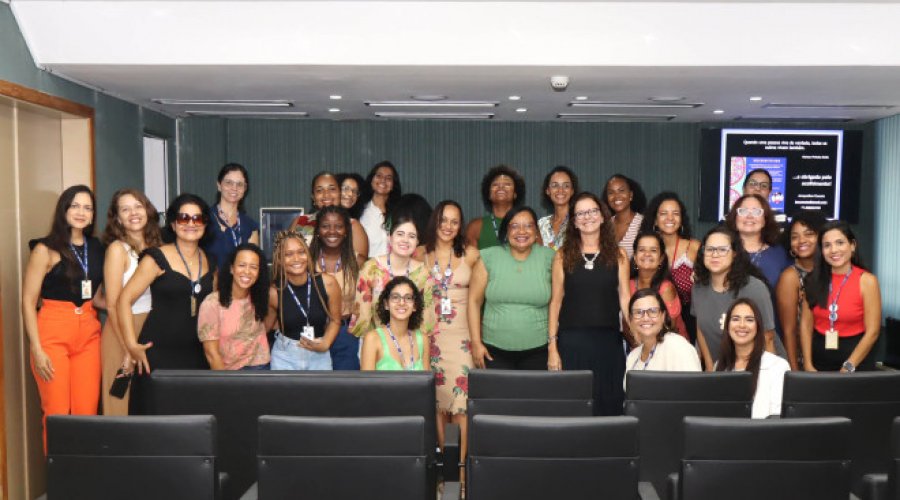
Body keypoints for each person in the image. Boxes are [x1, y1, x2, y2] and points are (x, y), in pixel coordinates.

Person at [22, 185, 104, 450]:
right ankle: (61, 482)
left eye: (88, 207)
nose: (81, 212)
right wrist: (36, 348)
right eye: (75, 206)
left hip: (89, 334)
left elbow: (100, 296)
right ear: (64, 210)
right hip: (52, 333)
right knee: (57, 414)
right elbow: (27, 301)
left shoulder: (97, 247)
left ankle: (83, 482)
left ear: (93, 215)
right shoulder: (44, 249)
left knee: (86, 413)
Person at [118, 193, 216, 414]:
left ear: (205, 224)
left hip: (197, 355)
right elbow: (123, 300)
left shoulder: (211, 261)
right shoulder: (156, 258)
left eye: (197, 218)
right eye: (184, 218)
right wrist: (131, 346)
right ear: (173, 224)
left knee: (193, 422)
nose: (191, 224)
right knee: (155, 422)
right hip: (157, 354)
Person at [548, 193, 629, 415]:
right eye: (581, 213)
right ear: (573, 222)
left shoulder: (619, 255)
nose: (587, 217)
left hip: (608, 344)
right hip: (571, 343)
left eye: (592, 211)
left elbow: (625, 297)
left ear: (603, 217)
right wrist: (552, 347)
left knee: (609, 404)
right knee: (572, 406)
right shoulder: (562, 256)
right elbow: (555, 302)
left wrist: (639, 337)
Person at [417, 200, 480, 462]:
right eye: (443, 220)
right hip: (430, 335)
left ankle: (462, 470)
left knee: (462, 405)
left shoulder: (471, 253)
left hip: (462, 337)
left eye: (454, 221)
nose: (448, 226)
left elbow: (478, 300)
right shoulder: (419, 253)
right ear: (435, 221)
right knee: (437, 405)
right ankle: (446, 466)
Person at [100, 188, 161, 415]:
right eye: (125, 209)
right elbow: (112, 304)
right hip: (122, 330)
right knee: (119, 400)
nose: (133, 213)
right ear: (117, 218)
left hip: (151, 327)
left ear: (147, 210)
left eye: (138, 206)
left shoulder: (158, 246)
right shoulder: (117, 250)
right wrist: (128, 348)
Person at [469, 206, 554, 370]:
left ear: (536, 231)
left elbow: (557, 302)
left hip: (539, 350)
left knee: (534, 396)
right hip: (493, 350)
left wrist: (553, 345)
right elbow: (474, 302)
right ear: (506, 231)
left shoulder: (550, 257)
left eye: (528, 226)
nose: (521, 231)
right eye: (514, 226)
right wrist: (476, 342)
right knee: (498, 396)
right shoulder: (488, 256)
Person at [692, 226, 785, 370]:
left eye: (722, 249)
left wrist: (766, 376)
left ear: (735, 253)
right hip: (722, 368)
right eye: (709, 249)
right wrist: (710, 369)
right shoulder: (698, 288)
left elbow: (768, 337)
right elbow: (701, 329)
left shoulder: (755, 288)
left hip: (760, 369)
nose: (714, 255)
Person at [800, 221, 881, 372]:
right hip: (819, 360)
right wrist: (807, 364)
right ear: (821, 251)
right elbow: (805, 325)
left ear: (852, 245)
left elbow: (873, 331)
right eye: (827, 245)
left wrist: (849, 366)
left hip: (857, 361)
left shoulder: (867, 281)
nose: (834, 250)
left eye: (840, 243)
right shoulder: (812, 280)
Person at [350, 214, 436, 340]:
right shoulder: (371, 269)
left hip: (412, 344)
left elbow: (426, 318)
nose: (405, 240)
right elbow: (363, 316)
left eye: (411, 236)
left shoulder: (423, 273)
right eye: (400, 234)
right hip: (376, 343)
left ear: (417, 242)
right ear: (390, 238)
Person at [269, 229, 342, 370]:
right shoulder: (274, 292)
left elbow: (335, 320)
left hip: (319, 354)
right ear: (279, 259)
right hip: (285, 355)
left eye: (301, 252)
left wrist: (326, 343)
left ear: (308, 254)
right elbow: (266, 326)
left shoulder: (328, 283)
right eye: (288, 254)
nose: (296, 259)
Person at [197, 243, 272, 370]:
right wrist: (225, 385)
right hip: (229, 371)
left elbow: (269, 323)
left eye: (253, 267)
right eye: (242, 265)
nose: (247, 271)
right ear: (231, 268)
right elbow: (211, 354)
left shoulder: (261, 296)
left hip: (261, 367)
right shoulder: (212, 303)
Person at [716, 298, 790, 418]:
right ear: (727, 326)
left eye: (749, 320)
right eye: (735, 319)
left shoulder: (778, 366)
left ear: (758, 327)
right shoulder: (719, 366)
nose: (741, 325)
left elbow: (778, 418)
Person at [309, 205, 361, 369]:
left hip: (345, 336)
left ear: (346, 231)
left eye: (338, 226)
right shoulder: (305, 262)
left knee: (345, 391)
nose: (332, 231)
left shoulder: (358, 263)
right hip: (312, 333)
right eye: (325, 226)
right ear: (317, 230)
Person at [775, 211, 826, 370]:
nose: (801, 241)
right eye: (794, 236)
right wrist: (794, 371)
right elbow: (788, 331)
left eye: (809, 234)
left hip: (833, 356)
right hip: (804, 360)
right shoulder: (790, 277)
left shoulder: (833, 272)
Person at [624, 288, 701, 386]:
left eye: (653, 311)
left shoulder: (678, 346)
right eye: (638, 312)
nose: (646, 317)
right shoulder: (633, 357)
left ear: (663, 316)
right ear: (631, 320)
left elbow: (694, 391)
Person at [641, 191, 700, 313]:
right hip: (653, 318)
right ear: (655, 220)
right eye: (663, 213)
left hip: (691, 319)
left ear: (681, 219)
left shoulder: (694, 247)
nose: (670, 218)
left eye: (675, 213)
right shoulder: (645, 250)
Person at [293, 171, 368, 264]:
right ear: (313, 197)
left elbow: (362, 269)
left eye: (332, 189)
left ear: (340, 193)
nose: (326, 194)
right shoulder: (300, 222)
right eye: (319, 190)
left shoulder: (353, 226)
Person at [627, 232, 688, 339]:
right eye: (642, 250)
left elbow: (668, 330)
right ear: (635, 257)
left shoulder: (666, 289)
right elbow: (627, 324)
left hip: (669, 348)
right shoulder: (628, 285)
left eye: (653, 250)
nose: (647, 254)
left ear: (661, 259)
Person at [360, 277, 429, 371]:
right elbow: (365, 384)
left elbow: (427, 383)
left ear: (415, 305)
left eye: (408, 298)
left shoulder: (422, 339)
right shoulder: (373, 338)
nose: (401, 302)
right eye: (395, 297)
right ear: (386, 304)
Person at [726, 194, 791, 288]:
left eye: (756, 212)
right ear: (735, 218)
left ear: (765, 220)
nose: (749, 216)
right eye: (743, 211)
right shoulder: (722, 251)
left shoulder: (780, 253)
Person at [205, 163, 260, 270]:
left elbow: (253, 264)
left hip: (240, 284)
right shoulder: (204, 219)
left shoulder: (250, 225)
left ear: (245, 188)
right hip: (210, 284)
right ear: (219, 185)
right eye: (228, 183)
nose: (234, 188)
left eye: (239, 184)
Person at [465, 165, 527, 250]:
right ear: (489, 194)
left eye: (507, 184)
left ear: (515, 194)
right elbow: (469, 261)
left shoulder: (528, 225)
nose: (501, 187)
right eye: (495, 184)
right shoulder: (475, 227)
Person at [359, 161, 402, 257]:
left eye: (388, 178)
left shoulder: (399, 212)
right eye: (379, 176)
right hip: (368, 269)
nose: (383, 180)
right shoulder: (360, 211)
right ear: (371, 180)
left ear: (393, 185)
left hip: (395, 269)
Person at [604, 174, 646, 259]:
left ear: (631, 195)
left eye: (621, 190)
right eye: (611, 192)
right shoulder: (604, 226)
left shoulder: (644, 223)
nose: (616, 196)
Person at [537, 166, 578, 250]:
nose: (560, 190)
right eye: (555, 185)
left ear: (572, 191)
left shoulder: (579, 221)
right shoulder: (541, 224)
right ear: (548, 190)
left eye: (566, 186)